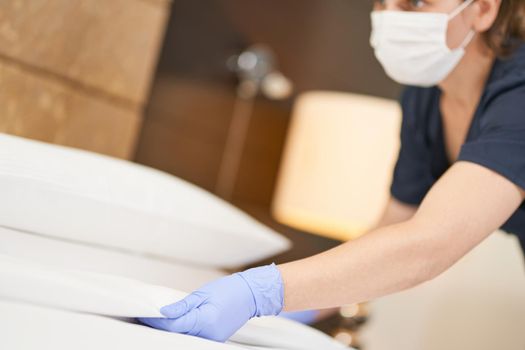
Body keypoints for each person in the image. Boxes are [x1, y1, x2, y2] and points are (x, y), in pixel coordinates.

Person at [139, 0, 525, 342]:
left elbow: (430, 244)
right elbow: (394, 228)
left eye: (415, 3)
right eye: (381, 3)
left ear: (484, 9)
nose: (390, 18)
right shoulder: (425, 97)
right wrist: (308, 305)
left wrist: (262, 291)